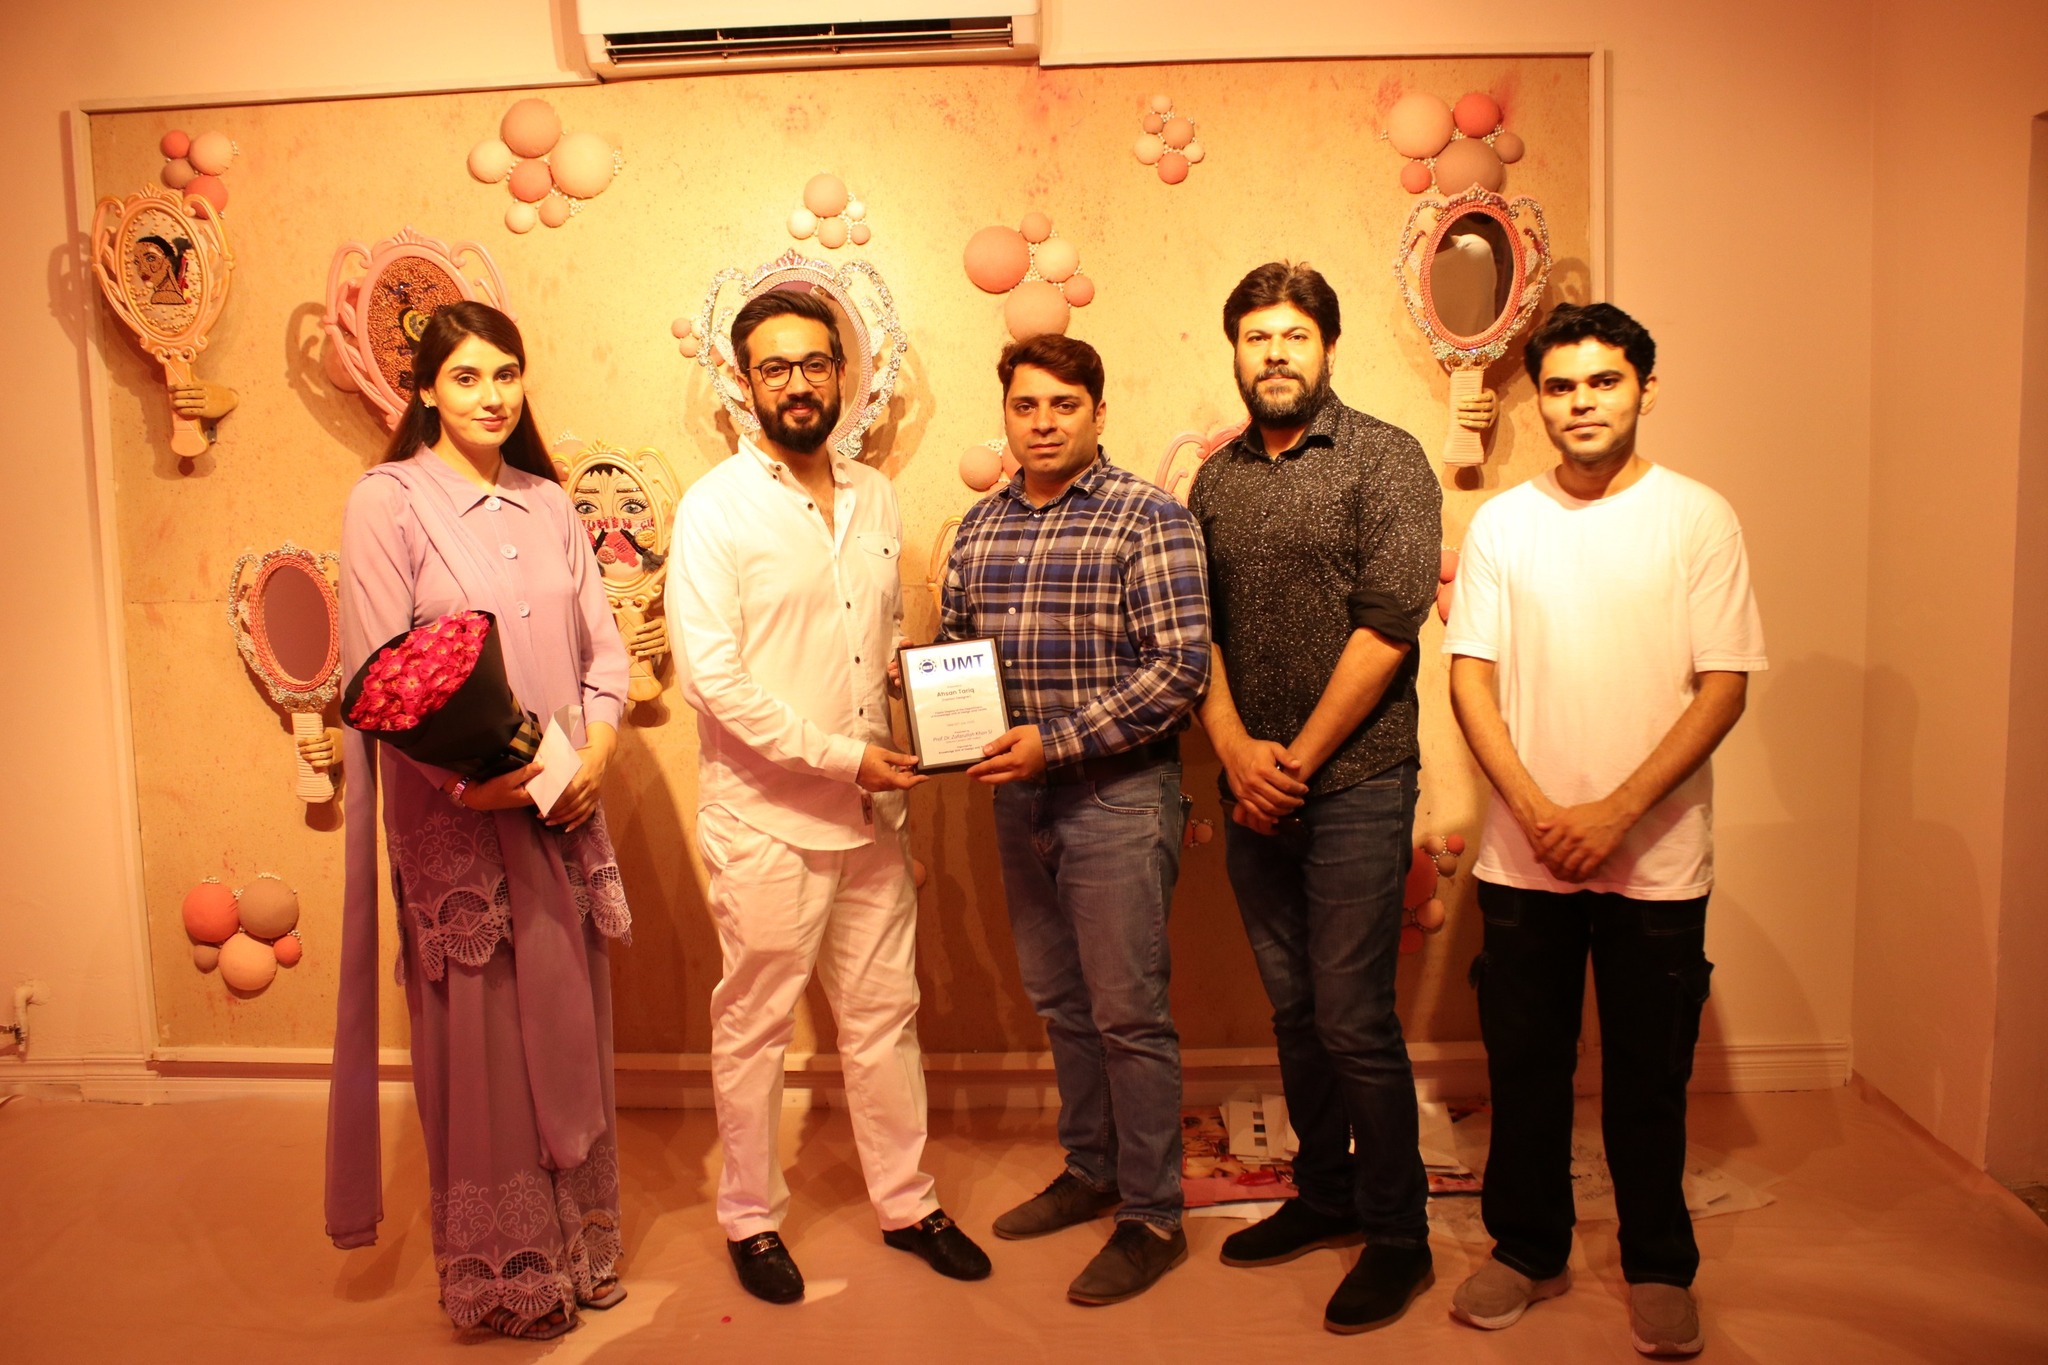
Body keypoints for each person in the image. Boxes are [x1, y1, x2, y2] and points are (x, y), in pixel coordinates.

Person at [1443, 302, 1767, 1357]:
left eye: (1603, 381)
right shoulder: (1504, 525)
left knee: (1647, 1080)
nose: (1580, 403)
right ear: (1537, 400)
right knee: (1524, 1072)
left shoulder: (1697, 518)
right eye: (1560, 386)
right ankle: (1527, 1248)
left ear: (1644, 390)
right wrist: (1541, 814)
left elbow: (1723, 686)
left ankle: (1658, 1265)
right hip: (1521, 857)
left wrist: (1614, 813)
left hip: (1657, 860)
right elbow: (1469, 680)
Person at [669, 288, 990, 1305]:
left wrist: (916, 695)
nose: (797, 383)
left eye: (814, 363)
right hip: (764, 819)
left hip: (872, 816)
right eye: (776, 367)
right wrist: (842, 757)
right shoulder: (715, 508)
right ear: (745, 381)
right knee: (756, 1024)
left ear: (842, 374)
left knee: (885, 1015)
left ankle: (905, 1201)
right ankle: (749, 1217)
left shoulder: (876, 497)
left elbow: (873, 640)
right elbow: (713, 682)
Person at [325, 301, 633, 1342]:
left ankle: (583, 1250)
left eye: (506, 373)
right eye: (465, 376)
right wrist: (467, 789)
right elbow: (379, 682)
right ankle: (508, 1273)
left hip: (563, 805)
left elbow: (604, 651)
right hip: (455, 821)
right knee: (487, 1044)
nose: (492, 395)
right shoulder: (387, 503)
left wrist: (598, 751)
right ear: (423, 389)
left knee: (570, 1024)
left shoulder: (549, 503)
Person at [1188, 261, 1443, 1334]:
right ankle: (1324, 1194)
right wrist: (1235, 750)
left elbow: (1389, 625)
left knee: (1351, 1015)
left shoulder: (1386, 458)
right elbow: (1194, 631)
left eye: (1294, 334)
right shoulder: (1214, 483)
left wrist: (1291, 760)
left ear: (1327, 346)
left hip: (1356, 782)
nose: (1275, 353)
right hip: (1252, 788)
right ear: (1236, 354)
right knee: (1295, 1011)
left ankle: (1398, 1235)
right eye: (1257, 337)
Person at [939, 333, 1210, 1305]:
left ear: (1098, 411)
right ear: (1005, 415)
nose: (1043, 423)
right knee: (1060, 1003)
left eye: (1063, 404)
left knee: (1129, 1015)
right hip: (1019, 801)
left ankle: (1153, 1216)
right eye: (1026, 405)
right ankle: (1091, 1169)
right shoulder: (978, 528)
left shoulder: (1150, 518)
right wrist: (925, 691)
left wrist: (1052, 742)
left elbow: (1179, 670)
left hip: (1118, 798)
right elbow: (955, 649)